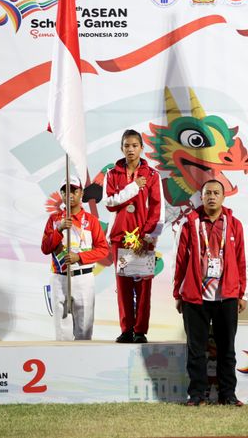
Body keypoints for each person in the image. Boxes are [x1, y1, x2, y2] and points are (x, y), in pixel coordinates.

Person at [173, 179, 248, 406]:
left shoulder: (234, 225)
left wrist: (243, 293)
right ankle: (196, 395)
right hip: (195, 297)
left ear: (223, 197)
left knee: (227, 349)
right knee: (196, 350)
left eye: (216, 193)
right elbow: (179, 261)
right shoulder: (189, 223)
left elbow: (243, 259)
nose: (211, 196)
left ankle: (228, 394)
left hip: (225, 296)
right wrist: (177, 294)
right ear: (201, 196)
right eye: (207, 192)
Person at [104, 129, 164, 343]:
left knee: (144, 285)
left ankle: (140, 331)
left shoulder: (152, 175)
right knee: (123, 286)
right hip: (120, 237)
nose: (130, 149)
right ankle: (126, 329)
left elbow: (158, 208)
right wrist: (133, 187)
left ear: (141, 148)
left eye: (134, 145)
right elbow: (110, 203)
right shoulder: (112, 174)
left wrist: (148, 237)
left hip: (143, 239)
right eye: (126, 145)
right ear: (122, 148)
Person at [41, 177, 109, 340]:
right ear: (61, 195)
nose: (69, 194)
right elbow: (45, 248)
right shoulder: (54, 220)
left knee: (84, 332)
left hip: (84, 278)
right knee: (62, 332)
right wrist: (59, 229)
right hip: (60, 279)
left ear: (81, 193)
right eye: (65, 191)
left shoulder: (91, 221)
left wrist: (79, 256)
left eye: (74, 190)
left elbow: (103, 250)